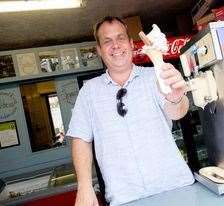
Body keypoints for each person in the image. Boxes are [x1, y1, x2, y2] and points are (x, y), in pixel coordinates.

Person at [67, 16, 194, 206]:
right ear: (99, 51)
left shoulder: (155, 76)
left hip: (175, 186)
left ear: (131, 44)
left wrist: (175, 97)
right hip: (125, 197)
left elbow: (177, 112)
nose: (115, 46)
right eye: (107, 41)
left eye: (120, 38)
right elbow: (80, 138)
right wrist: (84, 186)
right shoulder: (89, 92)